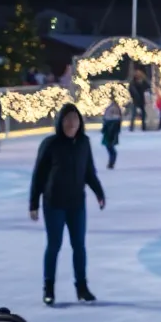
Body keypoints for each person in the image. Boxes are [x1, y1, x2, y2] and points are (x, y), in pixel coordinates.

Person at [30, 103, 106, 306]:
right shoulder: (50, 144)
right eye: (67, 119)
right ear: (60, 122)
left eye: (75, 119)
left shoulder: (84, 143)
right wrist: (33, 203)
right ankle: (49, 289)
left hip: (76, 204)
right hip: (54, 203)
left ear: (80, 122)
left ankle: (82, 287)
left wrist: (99, 192)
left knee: (79, 246)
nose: (71, 123)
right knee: (54, 246)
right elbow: (38, 175)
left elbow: (89, 171)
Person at [101, 99, 122, 169]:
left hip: (109, 133)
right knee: (112, 150)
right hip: (111, 133)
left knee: (111, 149)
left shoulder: (109, 111)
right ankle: (111, 163)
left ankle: (111, 163)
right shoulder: (116, 111)